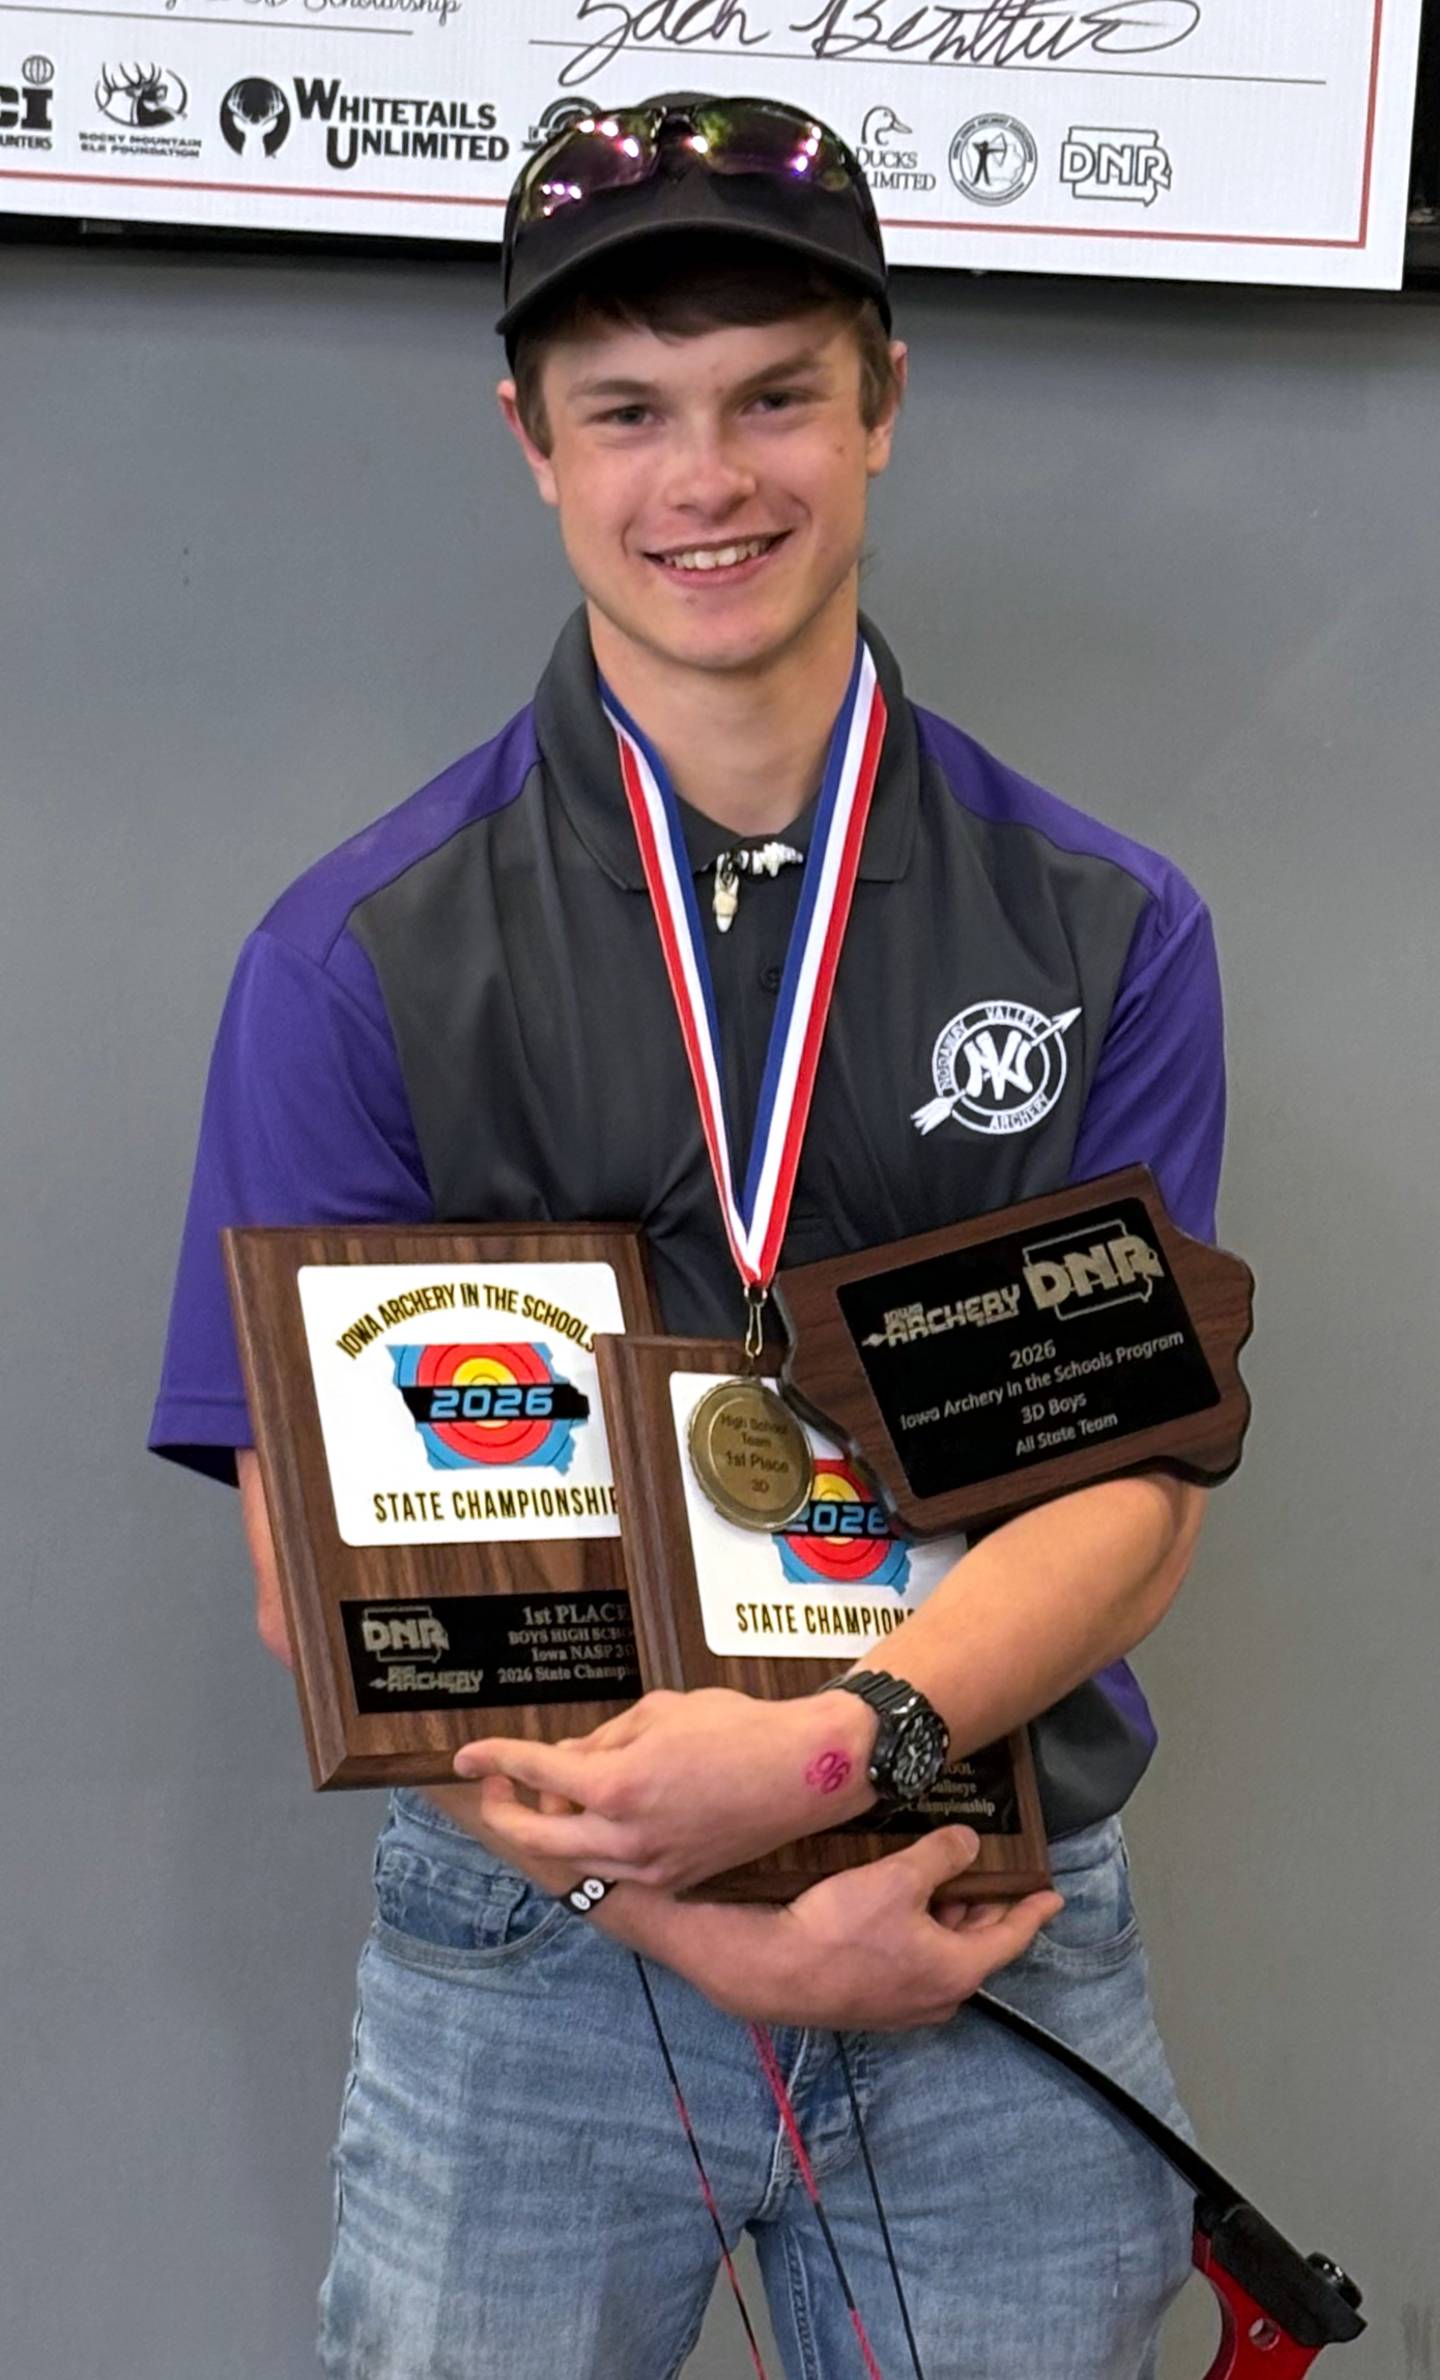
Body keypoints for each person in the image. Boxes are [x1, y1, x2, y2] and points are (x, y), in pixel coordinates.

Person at [150, 93, 1226, 2379]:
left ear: (885, 399)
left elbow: (1124, 1493)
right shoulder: (355, 957)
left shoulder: (1104, 928)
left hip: (984, 1907)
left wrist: (828, 1757)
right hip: (540, 1941)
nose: (706, 478)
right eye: (629, 408)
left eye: (773, 397)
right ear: (530, 441)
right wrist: (671, 1895)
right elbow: (320, 1575)